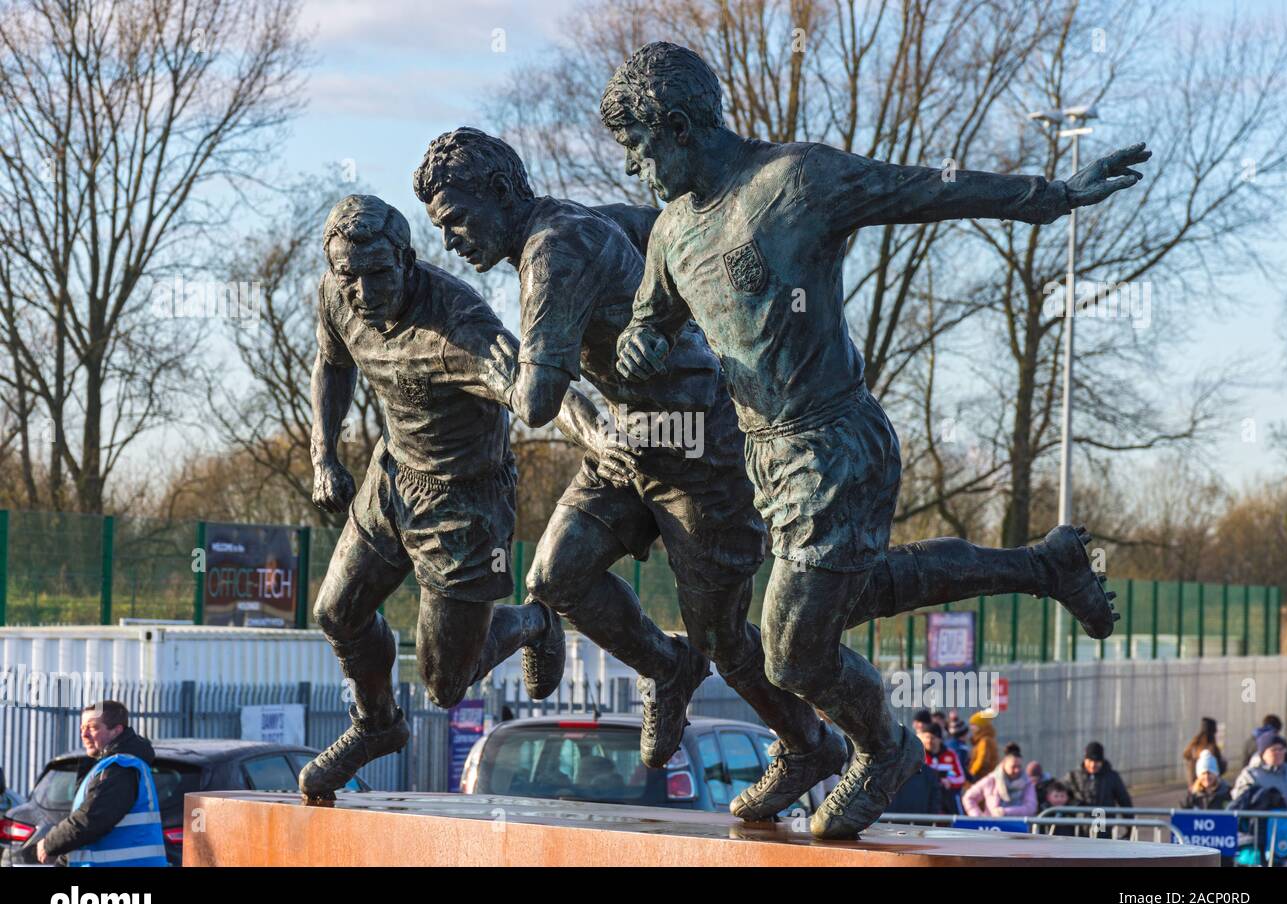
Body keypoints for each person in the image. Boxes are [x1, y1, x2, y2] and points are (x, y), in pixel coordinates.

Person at [600, 41, 1138, 838]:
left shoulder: (795, 182)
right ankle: (1044, 565)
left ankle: (879, 749)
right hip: (767, 462)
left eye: (640, 153)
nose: (637, 173)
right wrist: (636, 345)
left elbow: (927, 190)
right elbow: (649, 321)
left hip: (837, 446)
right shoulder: (672, 234)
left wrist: (1051, 194)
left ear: (678, 128)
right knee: (857, 595)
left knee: (787, 652)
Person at [413, 129, 839, 817]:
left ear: (498, 192)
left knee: (724, 638)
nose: (451, 242)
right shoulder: (585, 220)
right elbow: (667, 234)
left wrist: (466, 352)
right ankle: (668, 670)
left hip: (700, 448)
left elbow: (536, 401)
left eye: (456, 220)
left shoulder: (551, 253)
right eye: (440, 229)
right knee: (555, 576)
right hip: (624, 444)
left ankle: (809, 742)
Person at [299, 194, 571, 798]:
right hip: (393, 475)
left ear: (406, 257)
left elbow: (537, 393)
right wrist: (324, 454)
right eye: (351, 277)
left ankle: (535, 621)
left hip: (464, 505)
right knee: (336, 613)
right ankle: (376, 727)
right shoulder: (336, 295)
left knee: (446, 685)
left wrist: (609, 438)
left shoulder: (460, 324)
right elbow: (331, 364)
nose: (364, 292)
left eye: (379, 275)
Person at [36, 701, 166, 867]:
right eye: (82, 728)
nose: (84, 735)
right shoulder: (108, 766)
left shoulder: (121, 767)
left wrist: (50, 844)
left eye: (92, 727)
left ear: (116, 731)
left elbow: (91, 819)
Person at [1065, 741, 1133, 837]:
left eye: (1097, 762)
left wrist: (1130, 826)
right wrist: (1076, 804)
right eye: (1090, 761)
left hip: (1104, 829)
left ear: (1102, 761)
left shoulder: (1112, 777)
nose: (1093, 765)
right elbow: (1061, 795)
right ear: (1085, 759)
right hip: (1078, 829)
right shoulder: (1073, 776)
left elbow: (1124, 800)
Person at [962, 751, 1037, 818]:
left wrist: (1005, 812)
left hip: (1019, 828)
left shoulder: (1027, 783)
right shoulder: (991, 780)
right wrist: (978, 817)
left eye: (1019, 766)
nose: (1017, 770)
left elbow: (1031, 807)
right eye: (1013, 766)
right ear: (1004, 764)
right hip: (991, 828)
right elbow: (968, 797)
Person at [1232, 735, 1287, 809]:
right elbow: (1240, 799)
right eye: (1274, 750)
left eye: (1281, 749)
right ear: (1263, 753)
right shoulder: (1250, 774)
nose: (1278, 753)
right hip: (1261, 819)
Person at [919, 721, 966, 813]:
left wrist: (949, 781)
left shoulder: (950, 754)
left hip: (948, 798)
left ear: (939, 739)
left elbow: (961, 778)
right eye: (926, 737)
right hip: (925, 797)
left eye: (932, 738)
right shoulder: (919, 755)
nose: (929, 741)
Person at [1182, 716, 1226, 788]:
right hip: (1208, 786)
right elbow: (1220, 768)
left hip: (1194, 785)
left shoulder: (1193, 745)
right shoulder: (1212, 748)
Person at [966, 711, 999, 783]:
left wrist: (971, 773)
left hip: (982, 778)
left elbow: (982, 760)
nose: (971, 728)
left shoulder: (984, 741)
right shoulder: (983, 740)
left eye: (973, 725)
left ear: (981, 726)